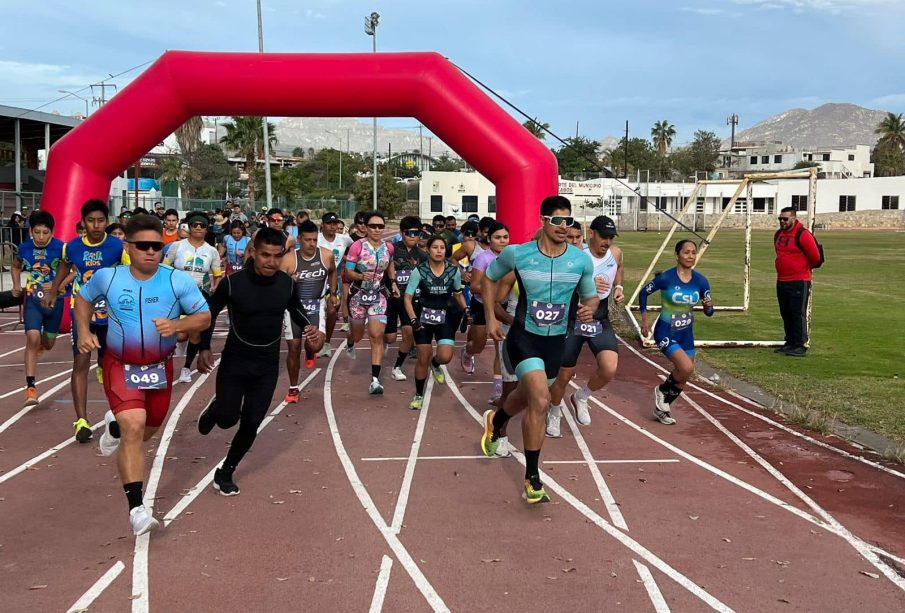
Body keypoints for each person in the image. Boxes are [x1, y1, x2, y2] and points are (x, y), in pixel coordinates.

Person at [78, 214, 210, 536]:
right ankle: (137, 508)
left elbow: (204, 317)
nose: (151, 252)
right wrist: (83, 330)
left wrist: (178, 325)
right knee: (134, 426)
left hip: (159, 367)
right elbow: (82, 300)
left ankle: (114, 427)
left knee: (146, 429)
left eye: (156, 246)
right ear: (128, 247)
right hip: (119, 365)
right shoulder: (108, 278)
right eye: (143, 246)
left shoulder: (177, 280)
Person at [480, 196, 598, 503]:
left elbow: (591, 297)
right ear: (543, 221)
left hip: (555, 340)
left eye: (568, 221)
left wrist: (588, 309)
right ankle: (533, 477)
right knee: (541, 400)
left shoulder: (580, 260)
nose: (563, 227)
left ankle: (498, 420)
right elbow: (487, 280)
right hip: (524, 337)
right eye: (557, 221)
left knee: (527, 396)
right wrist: (491, 317)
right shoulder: (517, 254)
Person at [195, 228, 313, 496]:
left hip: (267, 364)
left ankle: (226, 471)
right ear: (253, 252)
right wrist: (203, 347)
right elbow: (209, 315)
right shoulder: (233, 283)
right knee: (227, 419)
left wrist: (309, 329)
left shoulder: (286, 283)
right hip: (235, 362)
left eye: (277, 256)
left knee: (251, 422)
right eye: (265, 256)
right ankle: (217, 409)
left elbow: (296, 309)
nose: (271, 262)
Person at [44, 199, 124, 443]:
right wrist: (53, 290)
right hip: (82, 313)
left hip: (110, 315)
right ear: (83, 222)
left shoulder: (117, 247)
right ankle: (81, 421)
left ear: (107, 222)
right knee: (80, 362)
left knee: (109, 363)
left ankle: (118, 413)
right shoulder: (72, 247)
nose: (96, 225)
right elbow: (64, 267)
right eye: (91, 220)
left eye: (101, 220)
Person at [547, 216, 623, 436]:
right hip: (575, 319)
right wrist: (586, 286)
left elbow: (618, 268)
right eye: (603, 237)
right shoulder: (577, 258)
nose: (607, 242)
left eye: (610, 238)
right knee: (564, 374)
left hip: (599, 319)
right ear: (591, 233)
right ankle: (553, 411)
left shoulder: (615, 253)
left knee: (609, 368)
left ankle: (582, 396)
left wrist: (618, 287)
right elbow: (559, 288)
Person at [639, 239, 714, 425]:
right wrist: (645, 320)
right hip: (666, 331)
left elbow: (709, 312)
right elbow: (643, 293)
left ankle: (662, 408)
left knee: (684, 376)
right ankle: (662, 391)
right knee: (686, 368)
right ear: (677, 255)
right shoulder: (666, 278)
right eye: (686, 252)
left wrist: (708, 306)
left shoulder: (701, 281)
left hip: (686, 333)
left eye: (693, 252)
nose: (690, 256)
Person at [404, 236, 469, 409]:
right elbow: (407, 297)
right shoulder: (419, 271)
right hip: (422, 318)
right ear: (429, 250)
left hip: (445, 316)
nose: (439, 251)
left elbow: (457, 293)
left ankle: (436, 363)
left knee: (446, 356)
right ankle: (418, 394)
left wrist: (466, 309)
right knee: (422, 358)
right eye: (435, 247)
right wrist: (413, 319)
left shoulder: (453, 271)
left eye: (442, 247)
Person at [11, 211, 67, 407]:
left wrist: (57, 286)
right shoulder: (24, 248)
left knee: (49, 343)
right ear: (30, 231)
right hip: (33, 300)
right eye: (37, 232)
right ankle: (31, 387)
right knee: (32, 336)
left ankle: (41, 347)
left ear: (52, 232)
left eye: (46, 232)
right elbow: (16, 266)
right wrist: (16, 285)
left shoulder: (61, 248)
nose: (41, 237)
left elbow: (73, 270)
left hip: (55, 302)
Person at [163, 212, 223, 383]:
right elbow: (164, 268)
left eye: (202, 226)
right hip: (175, 294)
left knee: (195, 333)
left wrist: (214, 286)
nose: (198, 228)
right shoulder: (177, 246)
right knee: (180, 335)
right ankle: (173, 351)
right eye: (194, 225)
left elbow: (217, 275)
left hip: (197, 295)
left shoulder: (211, 251)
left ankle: (186, 368)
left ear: (206, 229)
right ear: (188, 227)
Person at [343, 211, 399, 395]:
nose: (377, 229)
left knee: (376, 335)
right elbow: (348, 272)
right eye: (373, 226)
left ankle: (375, 380)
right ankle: (351, 341)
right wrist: (360, 275)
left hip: (378, 295)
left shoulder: (389, 248)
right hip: (358, 295)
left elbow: (390, 265)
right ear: (365, 228)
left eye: (380, 226)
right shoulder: (357, 247)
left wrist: (393, 283)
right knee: (358, 336)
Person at [282, 220, 336, 403]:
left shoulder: (326, 256)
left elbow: (333, 272)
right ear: (299, 239)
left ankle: (311, 350)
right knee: (293, 348)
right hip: (293, 308)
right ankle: (293, 387)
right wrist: (289, 280)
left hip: (316, 305)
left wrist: (333, 293)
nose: (312, 244)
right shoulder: (289, 260)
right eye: (307, 240)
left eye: (314, 240)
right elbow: (279, 286)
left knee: (316, 345)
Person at [462, 221, 510, 394]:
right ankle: (468, 351)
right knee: (479, 345)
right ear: (489, 239)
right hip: (481, 304)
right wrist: (492, 290)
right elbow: (474, 286)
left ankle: (498, 385)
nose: (502, 241)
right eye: (497, 237)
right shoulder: (483, 258)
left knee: (500, 345)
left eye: (505, 237)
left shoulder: (512, 257)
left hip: (502, 305)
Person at [774, 207, 821, 357]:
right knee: (785, 313)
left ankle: (800, 344)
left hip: (799, 280)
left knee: (797, 313)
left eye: (785, 219)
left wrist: (800, 269)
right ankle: (790, 342)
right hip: (782, 280)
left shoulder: (803, 235)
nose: (782, 221)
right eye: (780, 219)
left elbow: (815, 257)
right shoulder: (779, 235)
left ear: (793, 219)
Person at [385, 216, 428, 382]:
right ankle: (384, 341)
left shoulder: (423, 256)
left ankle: (397, 367)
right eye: (409, 233)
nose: (413, 236)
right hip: (391, 298)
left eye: (417, 233)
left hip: (410, 301)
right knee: (390, 338)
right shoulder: (391, 250)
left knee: (408, 333)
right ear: (402, 233)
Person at [317, 212, 354, 357]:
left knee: (332, 311)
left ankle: (326, 343)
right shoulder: (316, 239)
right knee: (315, 315)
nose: (333, 226)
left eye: (335, 224)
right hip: (317, 280)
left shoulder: (344, 239)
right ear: (322, 225)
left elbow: (357, 247)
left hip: (333, 281)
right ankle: (316, 340)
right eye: (329, 224)